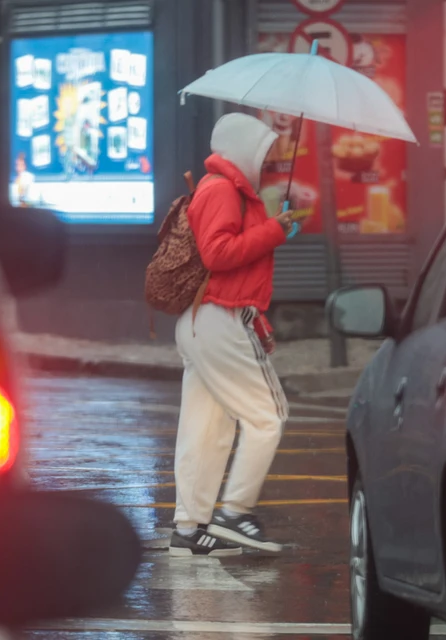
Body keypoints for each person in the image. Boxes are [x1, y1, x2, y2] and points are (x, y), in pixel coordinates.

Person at [169, 113, 296, 557]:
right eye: (262, 151)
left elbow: (230, 264)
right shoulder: (223, 189)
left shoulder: (224, 189)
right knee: (268, 415)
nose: (267, 160)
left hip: (206, 320)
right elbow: (218, 254)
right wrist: (275, 231)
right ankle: (235, 512)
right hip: (219, 321)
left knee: (205, 431)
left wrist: (271, 227)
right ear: (242, 149)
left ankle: (189, 528)